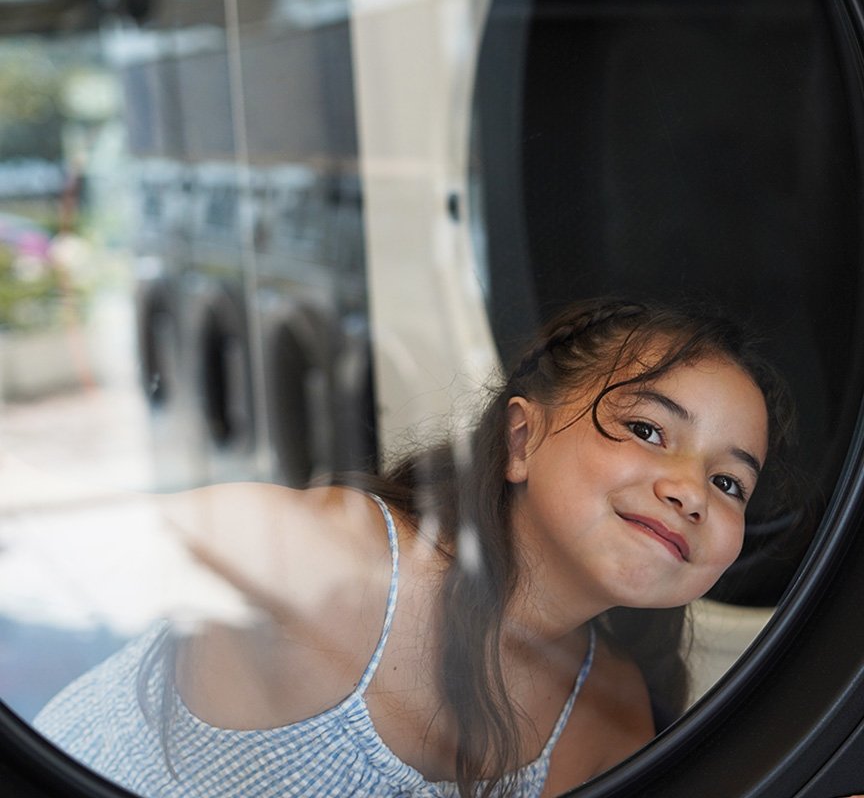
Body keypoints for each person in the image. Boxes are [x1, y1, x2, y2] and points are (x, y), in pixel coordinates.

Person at [34, 298, 796, 798]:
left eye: (730, 484)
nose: (690, 490)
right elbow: (60, 551)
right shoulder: (339, 565)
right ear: (521, 441)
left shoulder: (609, 711)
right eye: (648, 431)